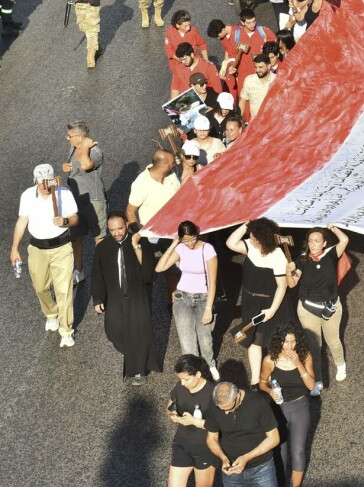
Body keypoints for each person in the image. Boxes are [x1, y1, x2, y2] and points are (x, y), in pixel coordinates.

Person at [11, 164, 79, 347]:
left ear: (53, 178)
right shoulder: (27, 195)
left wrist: (65, 220)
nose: (45, 185)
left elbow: (75, 218)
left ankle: (66, 330)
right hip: (37, 249)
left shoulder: (63, 193)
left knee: (64, 290)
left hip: (61, 248)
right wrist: (14, 248)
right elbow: (21, 221)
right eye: (41, 181)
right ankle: (51, 313)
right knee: (40, 287)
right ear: (35, 180)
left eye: (48, 181)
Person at [92, 213, 158, 384]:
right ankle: (133, 353)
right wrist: (98, 298)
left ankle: (138, 369)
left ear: (127, 224)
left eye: (120, 228)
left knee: (138, 332)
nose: (116, 233)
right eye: (112, 230)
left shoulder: (141, 243)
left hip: (137, 295)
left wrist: (136, 247)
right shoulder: (103, 247)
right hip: (115, 296)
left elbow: (147, 274)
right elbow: (97, 275)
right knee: (114, 331)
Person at [225, 219, 291, 387]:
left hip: (269, 303)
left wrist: (272, 310)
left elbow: (281, 287)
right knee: (253, 339)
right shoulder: (250, 246)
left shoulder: (277, 256)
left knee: (270, 340)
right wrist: (246, 225)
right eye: (251, 236)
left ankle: (270, 376)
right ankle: (256, 379)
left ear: (264, 239)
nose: (251, 239)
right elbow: (230, 243)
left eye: (254, 237)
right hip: (250, 301)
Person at [155, 220, 220, 382]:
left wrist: (208, 308)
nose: (189, 243)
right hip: (182, 298)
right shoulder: (181, 248)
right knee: (187, 341)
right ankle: (193, 371)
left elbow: (213, 282)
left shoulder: (207, 249)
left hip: (202, 298)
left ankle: (209, 365)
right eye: (185, 240)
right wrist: (173, 245)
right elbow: (159, 268)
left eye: (192, 238)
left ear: (197, 234)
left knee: (205, 338)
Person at [288, 225, 350, 391]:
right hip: (308, 309)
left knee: (333, 341)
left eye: (317, 241)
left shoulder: (330, 255)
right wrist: (289, 272)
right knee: (314, 346)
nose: (313, 244)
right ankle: (317, 380)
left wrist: (333, 227)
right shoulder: (302, 259)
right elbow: (292, 283)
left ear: (324, 243)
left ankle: (340, 364)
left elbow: (344, 240)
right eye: (310, 241)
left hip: (330, 306)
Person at [260, 324, 315, 487]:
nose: (290, 345)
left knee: (298, 451)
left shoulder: (305, 356)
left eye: (293, 341)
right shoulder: (270, 360)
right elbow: (262, 383)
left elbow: (312, 386)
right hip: (279, 409)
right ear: (280, 341)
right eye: (286, 341)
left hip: (300, 407)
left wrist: (298, 363)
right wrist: (270, 392)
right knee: (281, 452)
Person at [205, 382, 281, 486]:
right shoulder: (215, 405)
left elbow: (274, 438)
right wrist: (223, 458)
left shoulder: (257, 402)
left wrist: (247, 457)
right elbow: (211, 439)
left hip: (261, 469)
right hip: (231, 470)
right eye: (222, 409)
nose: (226, 413)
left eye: (229, 409)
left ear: (238, 396)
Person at [63, 121, 106, 284]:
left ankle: (103, 272)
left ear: (80, 136)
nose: (67, 138)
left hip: (93, 200)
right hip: (76, 200)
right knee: (76, 237)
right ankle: (78, 271)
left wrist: (86, 148)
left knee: (99, 238)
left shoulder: (95, 150)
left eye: (70, 136)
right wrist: (67, 168)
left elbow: (86, 165)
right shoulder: (73, 148)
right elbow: (75, 168)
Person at [167, 355, 218, 487]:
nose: (183, 383)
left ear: (198, 374)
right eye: (180, 379)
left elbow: (222, 425)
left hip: (205, 448)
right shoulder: (180, 386)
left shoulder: (213, 393)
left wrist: (194, 422)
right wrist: (172, 413)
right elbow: (169, 405)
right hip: (181, 445)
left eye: (186, 379)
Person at [239, 55, 277, 123]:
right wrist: (239, 118)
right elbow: (243, 100)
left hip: (273, 124)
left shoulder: (277, 80)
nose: (257, 70)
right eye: (256, 67)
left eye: (261, 67)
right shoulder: (249, 80)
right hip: (255, 124)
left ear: (269, 66)